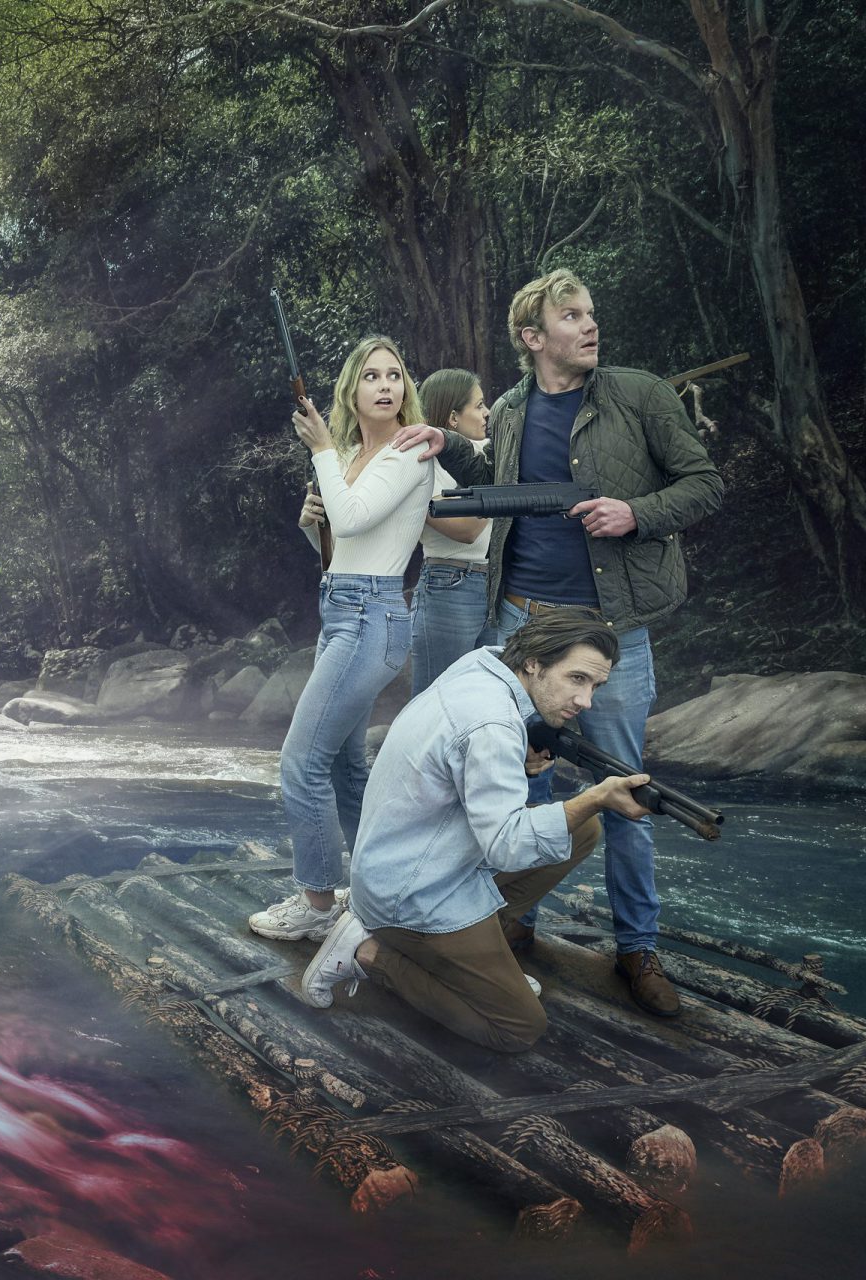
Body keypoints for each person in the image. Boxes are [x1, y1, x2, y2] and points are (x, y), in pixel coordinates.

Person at [393, 270, 722, 1017]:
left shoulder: (639, 395)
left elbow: (704, 483)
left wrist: (636, 513)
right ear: (533, 338)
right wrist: (446, 438)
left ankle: (638, 949)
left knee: (625, 791)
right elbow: (493, 479)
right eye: (570, 316)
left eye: (591, 314)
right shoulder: (508, 409)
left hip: (610, 633)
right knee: (523, 779)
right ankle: (516, 922)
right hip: (518, 625)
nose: (589, 325)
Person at [298, 607, 654, 1052]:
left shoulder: (481, 668)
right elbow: (507, 848)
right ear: (534, 663)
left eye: (595, 686)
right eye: (577, 679)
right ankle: (365, 952)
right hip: (412, 895)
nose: (586, 702)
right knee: (518, 1028)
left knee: (583, 831)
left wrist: (520, 766)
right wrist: (596, 796)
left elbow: (458, 768)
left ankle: (478, 957)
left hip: (405, 861)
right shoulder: (493, 725)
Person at [249, 337, 434, 943]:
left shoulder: (409, 454)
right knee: (349, 768)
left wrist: (323, 451)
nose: (387, 386)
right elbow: (341, 550)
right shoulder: (354, 454)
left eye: (396, 375)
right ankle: (379, 889)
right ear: (351, 389)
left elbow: (355, 520)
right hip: (343, 610)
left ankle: (318, 903)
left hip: (372, 618)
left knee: (301, 764)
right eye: (373, 375)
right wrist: (312, 528)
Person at [409, 369, 493, 695]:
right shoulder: (423, 461)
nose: (487, 413)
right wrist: (500, 488)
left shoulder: (489, 453)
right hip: (449, 585)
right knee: (437, 701)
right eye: (479, 405)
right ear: (453, 418)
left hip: (498, 587)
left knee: (486, 701)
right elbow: (466, 529)